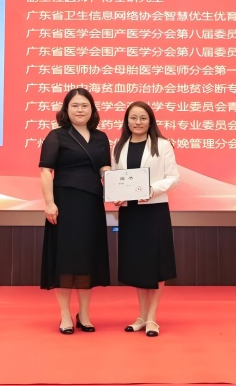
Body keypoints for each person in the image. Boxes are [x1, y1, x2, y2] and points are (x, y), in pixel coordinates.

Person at [39, 88, 112, 334]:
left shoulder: (101, 137)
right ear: (66, 109)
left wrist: (118, 187)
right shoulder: (56, 136)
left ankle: (85, 314)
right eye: (75, 105)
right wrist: (49, 203)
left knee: (87, 257)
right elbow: (45, 171)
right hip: (65, 204)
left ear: (92, 109)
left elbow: (104, 169)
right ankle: (65, 315)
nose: (80, 110)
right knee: (65, 258)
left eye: (85, 105)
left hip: (91, 204)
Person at [111, 101, 179, 337]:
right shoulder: (119, 146)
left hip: (154, 210)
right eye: (133, 118)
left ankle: (152, 318)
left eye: (143, 118)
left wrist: (151, 189)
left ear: (150, 121)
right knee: (138, 263)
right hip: (130, 212)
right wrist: (116, 195)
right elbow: (117, 177)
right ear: (126, 121)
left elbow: (174, 177)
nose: (137, 122)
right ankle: (141, 316)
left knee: (156, 264)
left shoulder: (163, 145)